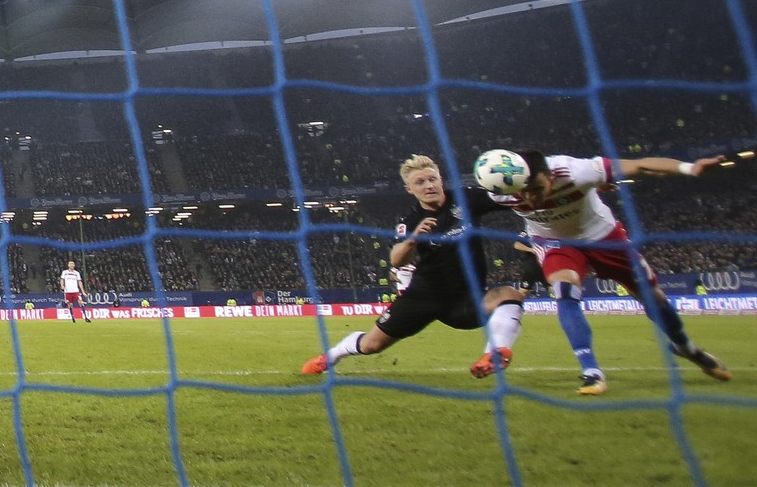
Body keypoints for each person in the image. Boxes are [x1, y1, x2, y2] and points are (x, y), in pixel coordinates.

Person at [485, 149, 730, 396]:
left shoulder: (575, 171)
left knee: (653, 298)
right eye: (524, 191)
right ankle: (591, 372)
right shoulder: (502, 192)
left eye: (537, 189)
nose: (531, 198)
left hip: (604, 236)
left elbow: (641, 166)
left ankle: (686, 348)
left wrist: (689, 167)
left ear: (550, 177)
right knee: (564, 292)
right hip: (555, 243)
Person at [302, 154, 525, 380]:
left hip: (465, 300)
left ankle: (493, 356)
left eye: (432, 179)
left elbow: (512, 199)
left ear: (441, 180)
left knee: (509, 294)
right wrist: (413, 239)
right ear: (409, 189)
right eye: (420, 182)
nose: (429, 185)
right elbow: (397, 260)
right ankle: (329, 357)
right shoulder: (410, 221)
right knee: (372, 345)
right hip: (423, 297)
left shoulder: (466, 199)